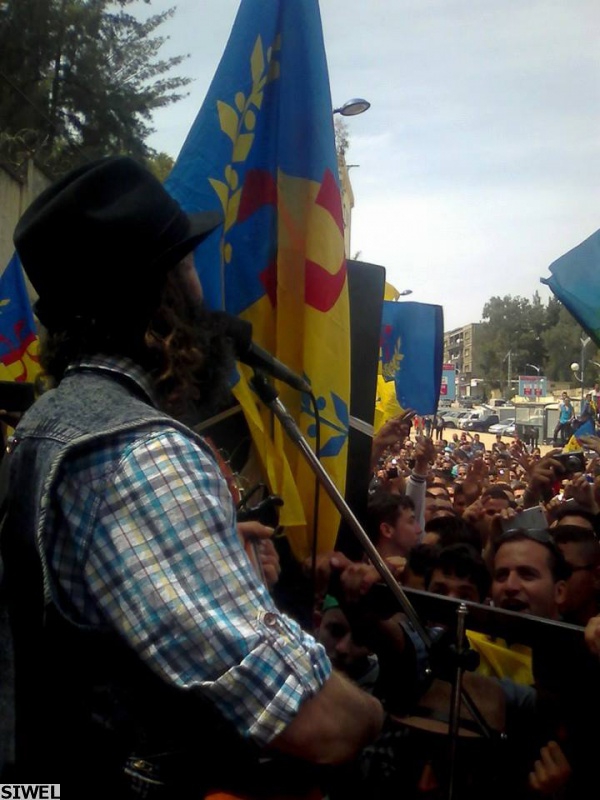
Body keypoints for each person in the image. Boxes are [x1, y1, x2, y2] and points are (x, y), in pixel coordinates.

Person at [0, 157, 383, 794]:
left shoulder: (49, 420)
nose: (206, 295)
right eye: (191, 267)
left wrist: (212, 555)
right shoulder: (141, 454)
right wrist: (373, 712)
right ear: (166, 298)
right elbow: (317, 724)